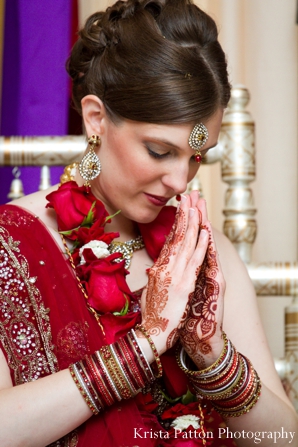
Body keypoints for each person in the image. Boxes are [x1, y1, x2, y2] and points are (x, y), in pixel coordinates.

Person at [0, 0, 297, 446]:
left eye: (198, 156)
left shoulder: (201, 254)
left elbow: (284, 438)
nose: (180, 180)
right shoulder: (9, 246)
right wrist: (145, 344)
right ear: (96, 119)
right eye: (160, 151)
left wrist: (213, 355)